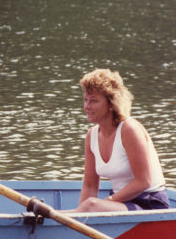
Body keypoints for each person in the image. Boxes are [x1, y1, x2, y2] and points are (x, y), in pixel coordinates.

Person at [71, 69, 169, 212]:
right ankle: (57, 217)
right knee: (91, 205)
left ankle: (52, 216)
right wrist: (80, 215)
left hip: (149, 203)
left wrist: (103, 203)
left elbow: (143, 181)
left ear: (111, 104)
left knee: (92, 205)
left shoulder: (129, 129)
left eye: (93, 101)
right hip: (120, 202)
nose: (87, 106)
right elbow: (90, 186)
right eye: (85, 100)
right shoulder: (91, 136)